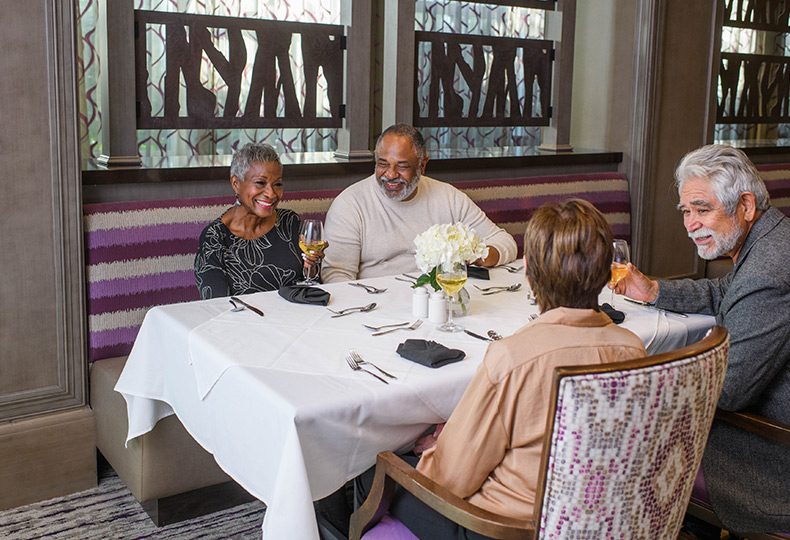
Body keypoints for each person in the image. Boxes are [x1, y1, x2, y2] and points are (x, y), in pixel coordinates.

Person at [356, 199, 646, 539]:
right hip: (599, 521)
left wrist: (435, 448)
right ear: (606, 271)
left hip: (501, 529)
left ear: (528, 272)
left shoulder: (513, 358)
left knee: (367, 470)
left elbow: (449, 480)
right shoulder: (633, 348)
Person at [611, 144, 790, 534]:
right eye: (686, 212)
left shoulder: (768, 274)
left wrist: (645, 378)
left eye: (702, 209)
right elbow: (726, 292)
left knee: (626, 445)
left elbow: (728, 393)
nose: (691, 224)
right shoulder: (773, 238)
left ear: (745, 205)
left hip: (770, 461)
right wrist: (655, 291)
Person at [322, 124, 517, 282]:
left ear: (422, 165)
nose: (390, 175)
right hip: (376, 305)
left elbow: (505, 243)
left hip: (439, 300)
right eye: (382, 164)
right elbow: (336, 277)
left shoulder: (448, 197)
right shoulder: (350, 205)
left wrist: (475, 255)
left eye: (402, 166)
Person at [194, 143, 325, 299]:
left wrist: (311, 267)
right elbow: (216, 305)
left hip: (296, 318)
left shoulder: (289, 222)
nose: (271, 193)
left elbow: (309, 285)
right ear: (236, 183)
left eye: (277, 184)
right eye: (260, 183)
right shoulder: (215, 238)